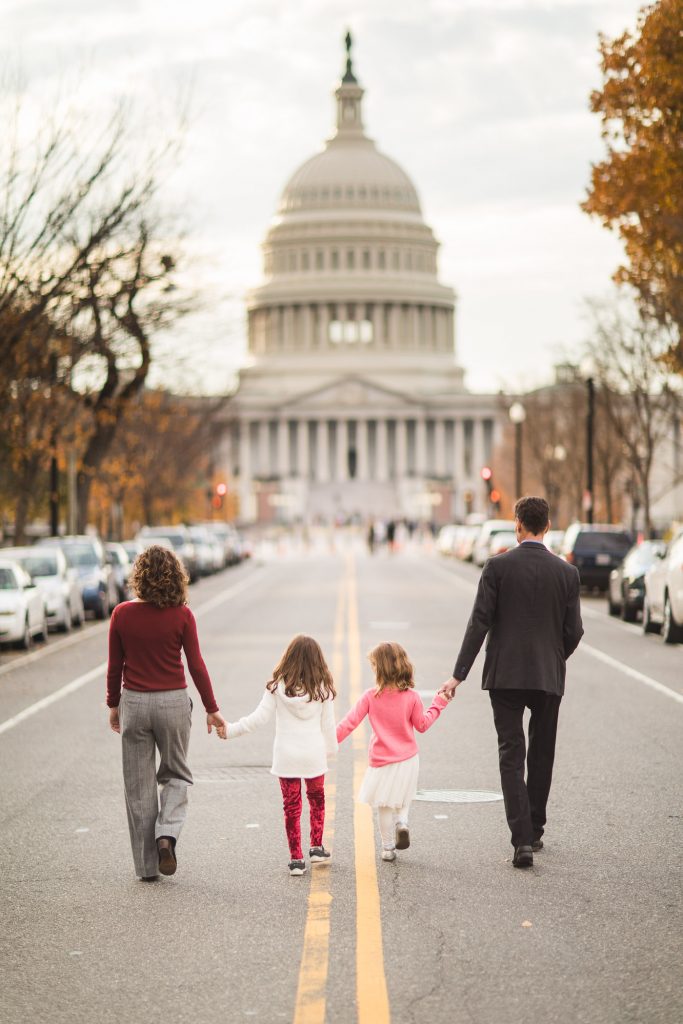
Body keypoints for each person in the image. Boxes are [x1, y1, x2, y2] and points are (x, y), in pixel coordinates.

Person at [440, 496, 583, 868]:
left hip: (504, 674)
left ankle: (520, 839)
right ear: (548, 526)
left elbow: (479, 622)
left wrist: (459, 674)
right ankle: (535, 829)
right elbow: (574, 630)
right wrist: (554, 657)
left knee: (510, 752)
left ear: (517, 524)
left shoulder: (497, 567)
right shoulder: (567, 574)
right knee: (542, 751)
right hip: (547, 674)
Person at [106, 545, 226, 882]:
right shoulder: (182, 615)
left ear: (139, 577)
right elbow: (196, 665)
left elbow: (115, 667)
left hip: (135, 702)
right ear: (176, 576)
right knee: (176, 773)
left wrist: (113, 705)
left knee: (139, 786)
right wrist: (211, 708)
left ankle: (146, 869)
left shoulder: (121, 614)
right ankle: (166, 835)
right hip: (173, 702)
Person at [226, 635, 337, 876]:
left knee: (291, 807)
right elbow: (328, 726)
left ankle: (296, 859)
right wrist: (330, 751)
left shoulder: (277, 687)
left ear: (288, 658)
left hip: (286, 756)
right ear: (318, 661)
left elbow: (258, 719)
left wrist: (230, 730)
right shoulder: (323, 689)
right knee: (317, 799)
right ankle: (316, 847)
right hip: (313, 755)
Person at [337, 641, 450, 862]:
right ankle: (403, 823)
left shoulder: (370, 696)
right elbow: (422, 725)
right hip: (408, 759)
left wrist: (328, 743)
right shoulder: (412, 697)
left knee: (384, 805)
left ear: (379, 669)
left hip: (381, 760)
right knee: (403, 797)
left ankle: (387, 848)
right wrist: (439, 703)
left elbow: (349, 723)